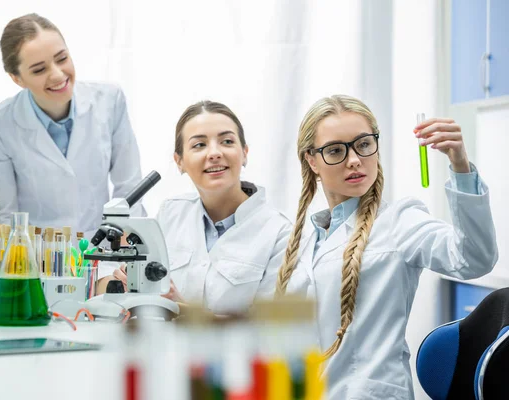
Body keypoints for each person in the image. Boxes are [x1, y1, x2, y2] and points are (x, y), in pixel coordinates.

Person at [275, 95, 498, 399]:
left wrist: (460, 166)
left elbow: (474, 258)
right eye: (336, 150)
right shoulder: (301, 241)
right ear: (312, 161)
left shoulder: (399, 222)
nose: (354, 159)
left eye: (364, 144)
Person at [111, 101, 292, 314]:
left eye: (226, 141)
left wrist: (183, 310)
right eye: (199, 145)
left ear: (244, 153)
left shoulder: (280, 234)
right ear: (179, 162)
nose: (214, 153)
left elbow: (270, 329)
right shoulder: (170, 214)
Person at [0, 14, 144, 235]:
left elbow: (130, 190)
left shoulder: (110, 100)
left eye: (62, 59)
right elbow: (3, 217)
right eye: (39, 70)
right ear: (17, 78)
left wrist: (127, 253)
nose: (58, 74)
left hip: (99, 252)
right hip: (37, 259)